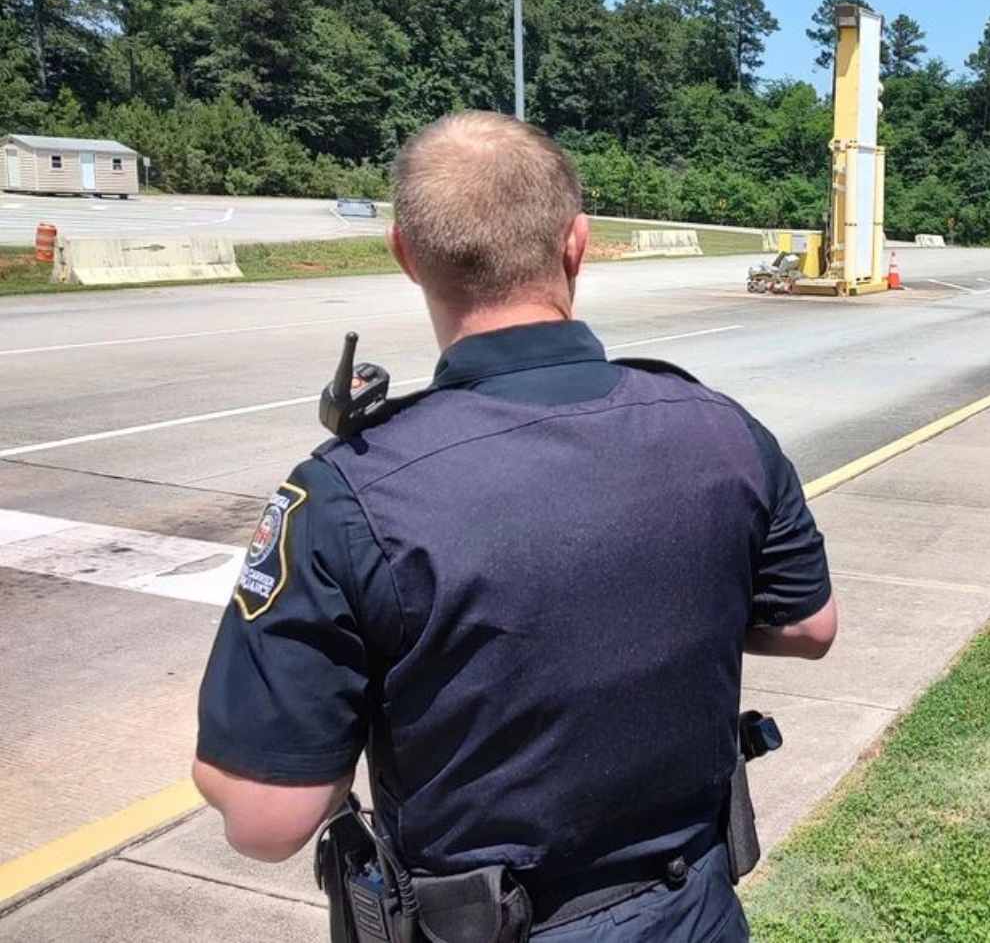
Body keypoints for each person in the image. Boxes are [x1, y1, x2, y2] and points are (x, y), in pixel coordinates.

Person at [192, 110, 837, 941]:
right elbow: (811, 626)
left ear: (405, 253)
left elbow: (266, 818)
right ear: (577, 244)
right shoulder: (722, 429)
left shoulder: (350, 496)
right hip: (695, 914)